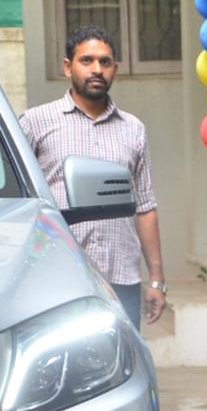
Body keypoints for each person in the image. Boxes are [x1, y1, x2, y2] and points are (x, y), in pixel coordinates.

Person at [20, 25, 166, 330]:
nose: (97, 69)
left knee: (122, 364)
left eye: (105, 62)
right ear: (67, 66)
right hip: (58, 274)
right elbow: (21, 200)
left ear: (115, 69)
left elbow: (145, 206)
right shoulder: (35, 122)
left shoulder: (133, 128)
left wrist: (156, 279)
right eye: (86, 61)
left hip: (120, 275)